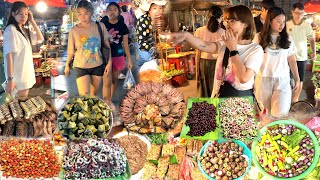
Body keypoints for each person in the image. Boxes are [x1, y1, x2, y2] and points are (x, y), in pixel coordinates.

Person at [169, 5, 264, 98]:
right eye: (227, 21)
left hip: (240, 104)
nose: (228, 25)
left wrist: (233, 50)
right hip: (219, 96)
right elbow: (205, 45)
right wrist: (186, 35)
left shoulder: (255, 50)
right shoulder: (224, 44)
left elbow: (244, 78)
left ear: (245, 24)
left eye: (232, 20)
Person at [254, 6, 300, 118]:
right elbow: (253, 59)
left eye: (283, 21)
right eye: (278, 21)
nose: (282, 24)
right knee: (264, 115)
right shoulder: (258, 37)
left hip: (282, 80)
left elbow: (292, 59)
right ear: (270, 21)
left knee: (280, 114)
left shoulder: (287, 38)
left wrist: (297, 78)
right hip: (263, 79)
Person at [64, 0, 112, 105]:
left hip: (97, 65)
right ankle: (85, 117)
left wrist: (109, 63)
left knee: (93, 95)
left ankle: (92, 117)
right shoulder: (74, 30)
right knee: (84, 95)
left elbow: (107, 46)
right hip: (80, 66)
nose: (82, 17)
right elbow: (71, 51)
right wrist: (67, 64)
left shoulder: (100, 26)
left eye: (86, 13)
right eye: (79, 14)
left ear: (91, 12)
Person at [3, 1, 44, 98]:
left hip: (25, 75)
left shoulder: (22, 30)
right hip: (18, 78)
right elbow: (9, 56)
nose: (23, 17)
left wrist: (32, 21)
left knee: (22, 105)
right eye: (20, 14)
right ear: (13, 14)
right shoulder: (11, 29)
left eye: (26, 14)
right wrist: (10, 79)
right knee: (20, 107)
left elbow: (40, 38)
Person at [101, 2, 132, 107]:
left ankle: (108, 101)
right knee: (106, 81)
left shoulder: (122, 26)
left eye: (115, 9)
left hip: (118, 56)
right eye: (110, 9)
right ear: (106, 12)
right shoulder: (103, 24)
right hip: (105, 57)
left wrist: (129, 60)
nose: (112, 12)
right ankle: (106, 101)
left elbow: (126, 44)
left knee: (114, 81)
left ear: (119, 11)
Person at [286, 2, 316, 102]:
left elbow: (312, 39)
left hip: (302, 57)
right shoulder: (287, 25)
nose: (299, 15)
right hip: (288, 57)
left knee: (300, 79)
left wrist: (313, 52)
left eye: (302, 13)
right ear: (292, 12)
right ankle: (287, 97)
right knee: (287, 78)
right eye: (297, 13)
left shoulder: (307, 25)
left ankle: (295, 99)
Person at [194, 5, 225, 97]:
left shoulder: (199, 31)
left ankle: (206, 109)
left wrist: (197, 71)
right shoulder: (223, 32)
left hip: (203, 63)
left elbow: (198, 53)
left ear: (207, 17)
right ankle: (216, 108)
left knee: (204, 89)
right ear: (221, 18)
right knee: (216, 88)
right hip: (218, 63)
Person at [136, 0, 167, 68]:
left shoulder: (160, 19)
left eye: (160, 8)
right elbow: (141, 41)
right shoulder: (142, 20)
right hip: (143, 47)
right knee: (148, 58)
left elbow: (160, 36)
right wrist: (153, 50)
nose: (158, 11)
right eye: (154, 8)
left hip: (154, 47)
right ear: (149, 10)